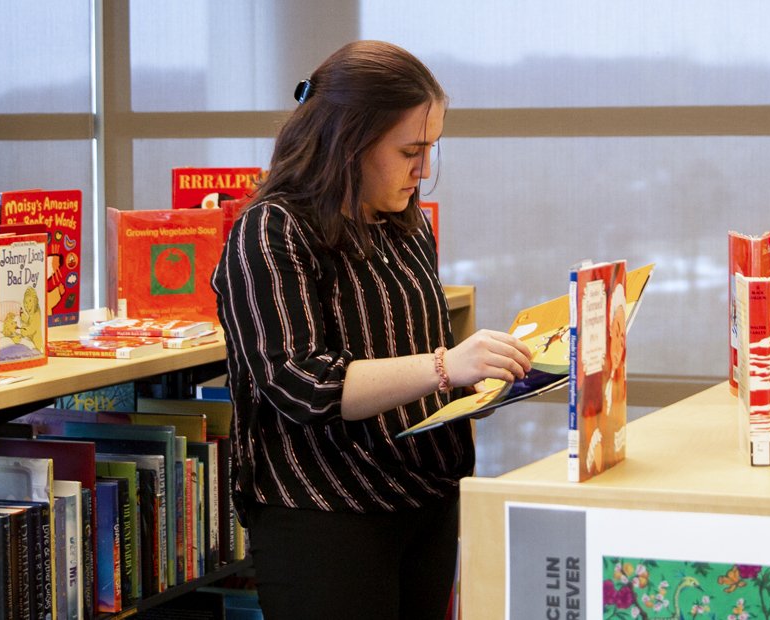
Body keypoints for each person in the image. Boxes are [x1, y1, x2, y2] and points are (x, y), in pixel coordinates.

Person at [211, 40, 532, 620]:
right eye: (411, 149)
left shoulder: (402, 226)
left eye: (431, 148)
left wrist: (482, 382)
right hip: (326, 512)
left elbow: (409, 362)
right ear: (349, 143)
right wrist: (447, 366)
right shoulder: (270, 230)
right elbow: (299, 383)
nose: (424, 169)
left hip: (424, 497)